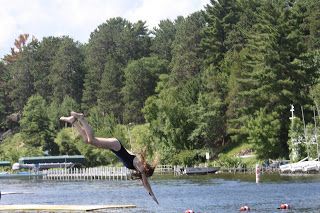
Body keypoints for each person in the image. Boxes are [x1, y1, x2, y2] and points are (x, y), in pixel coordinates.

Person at [60, 111, 159, 204]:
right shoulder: (140, 166)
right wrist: (152, 194)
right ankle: (81, 118)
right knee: (91, 140)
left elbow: (143, 182)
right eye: (146, 175)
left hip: (115, 146)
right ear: (146, 171)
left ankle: (73, 121)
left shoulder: (138, 166)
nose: (144, 177)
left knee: (87, 140)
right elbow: (146, 183)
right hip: (115, 145)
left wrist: (149, 192)